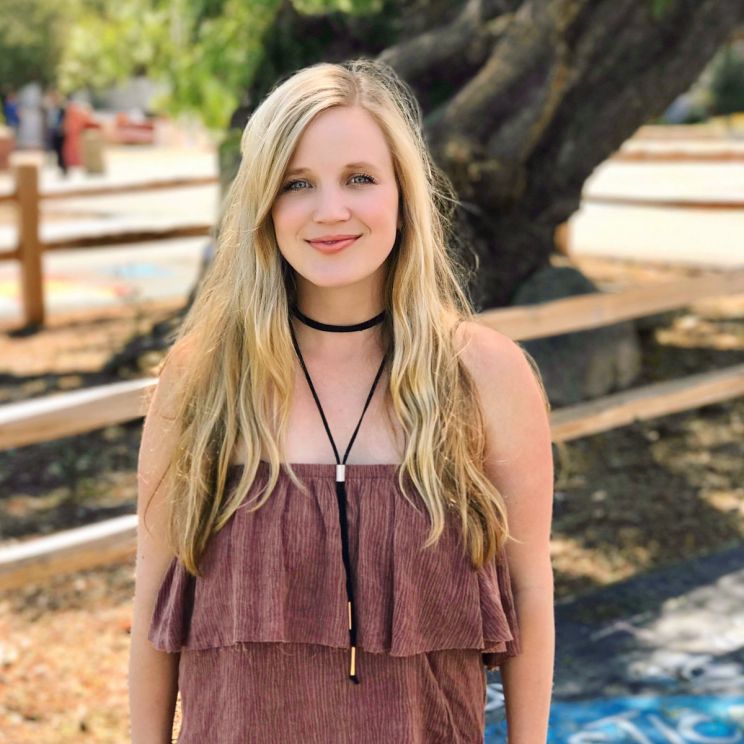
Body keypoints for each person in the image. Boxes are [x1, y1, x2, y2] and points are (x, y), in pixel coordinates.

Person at [128, 58, 554, 743]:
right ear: (263, 205)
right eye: (297, 183)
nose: (331, 210)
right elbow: (154, 600)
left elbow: (530, 592)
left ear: (402, 195)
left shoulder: (484, 375)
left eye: (359, 178)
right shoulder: (202, 378)